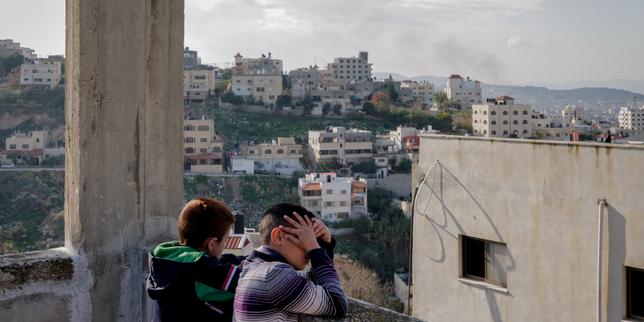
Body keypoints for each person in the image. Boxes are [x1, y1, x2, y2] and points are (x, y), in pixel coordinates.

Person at [233, 203, 348, 321]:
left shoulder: (250, 269)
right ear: (278, 236)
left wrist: (324, 247)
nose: (309, 249)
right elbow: (338, 304)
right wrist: (316, 250)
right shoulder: (274, 275)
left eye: (313, 241)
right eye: (305, 238)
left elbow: (311, 287)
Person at [147, 197, 244, 321]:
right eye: (225, 240)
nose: (225, 245)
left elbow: (221, 261)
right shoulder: (202, 270)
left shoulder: (166, 259)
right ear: (212, 243)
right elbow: (250, 280)